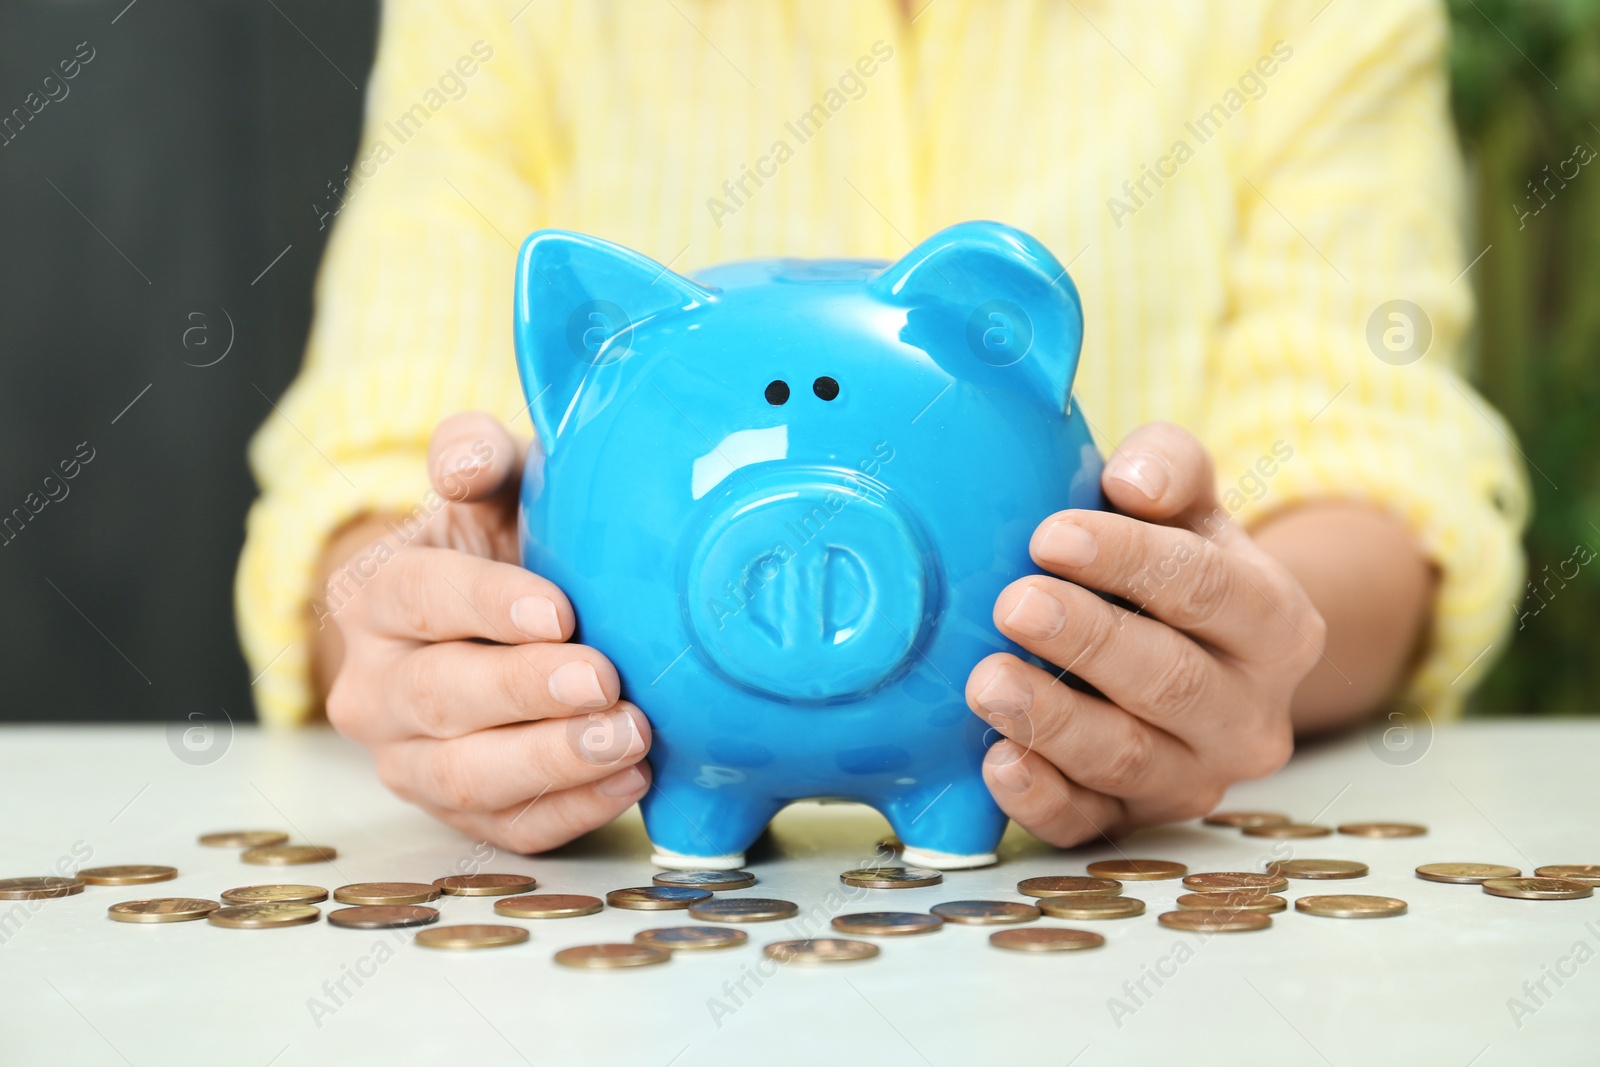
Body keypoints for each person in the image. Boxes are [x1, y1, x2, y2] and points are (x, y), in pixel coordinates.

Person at [237, 0, 1526, 855]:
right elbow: (367, 470)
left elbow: (1380, 462)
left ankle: (931, 802)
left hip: (1032, 781)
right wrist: (416, 625)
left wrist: (1225, 631)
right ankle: (712, 804)